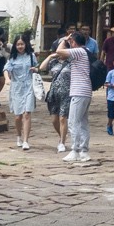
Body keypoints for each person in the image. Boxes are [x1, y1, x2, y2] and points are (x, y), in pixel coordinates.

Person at [40, 30, 95, 162]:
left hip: (79, 91)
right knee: (82, 122)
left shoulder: (79, 51)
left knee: (73, 121)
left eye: (71, 42)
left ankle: (75, 150)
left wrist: (65, 40)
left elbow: (59, 51)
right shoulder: (86, 51)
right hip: (85, 91)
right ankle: (84, 151)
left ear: (74, 42)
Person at [2, 32, 38, 149]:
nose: (20, 46)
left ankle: (26, 140)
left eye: (22, 44)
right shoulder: (12, 58)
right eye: (18, 44)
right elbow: (6, 69)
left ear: (26, 44)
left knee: (27, 113)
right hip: (16, 88)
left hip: (28, 87)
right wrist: (7, 79)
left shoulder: (31, 56)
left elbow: (37, 68)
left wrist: (35, 69)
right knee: (18, 116)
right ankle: (18, 135)